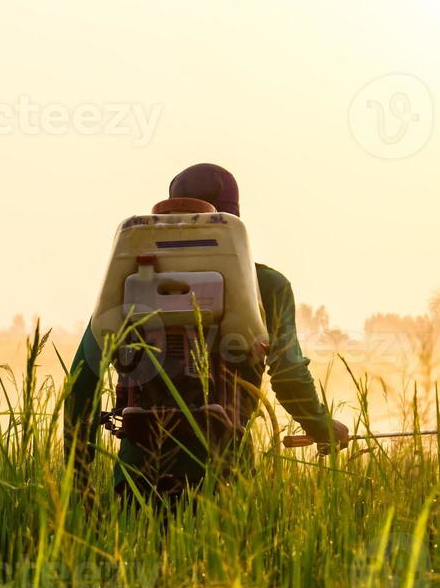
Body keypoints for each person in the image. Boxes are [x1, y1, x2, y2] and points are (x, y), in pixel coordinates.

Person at [64, 163, 350, 501]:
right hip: (227, 483)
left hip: (135, 484)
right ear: (233, 221)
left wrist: (79, 481)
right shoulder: (268, 286)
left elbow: (82, 382)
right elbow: (288, 376)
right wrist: (321, 427)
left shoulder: (125, 286)